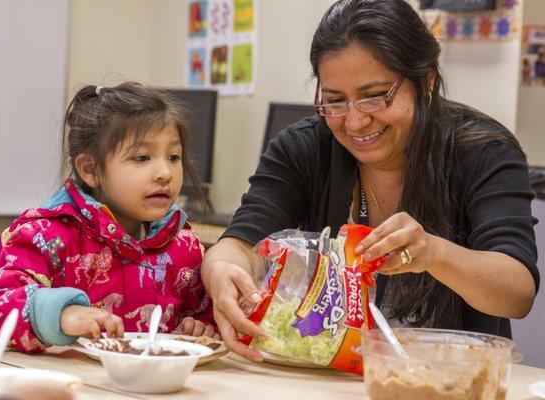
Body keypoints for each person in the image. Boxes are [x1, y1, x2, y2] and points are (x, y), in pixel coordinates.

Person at [201, 0, 539, 361]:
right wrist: (223, 270)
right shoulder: (304, 147)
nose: (355, 121)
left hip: (451, 375)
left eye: (374, 97)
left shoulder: (483, 151)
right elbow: (238, 243)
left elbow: (516, 291)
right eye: (334, 100)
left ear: (424, 81)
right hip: (328, 377)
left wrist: (435, 253)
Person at [0, 82, 216, 353]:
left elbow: (206, 311)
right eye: (142, 157)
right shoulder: (45, 235)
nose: (165, 172)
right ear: (90, 169)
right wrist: (58, 315)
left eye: (174, 156)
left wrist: (200, 326)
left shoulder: (183, 245)